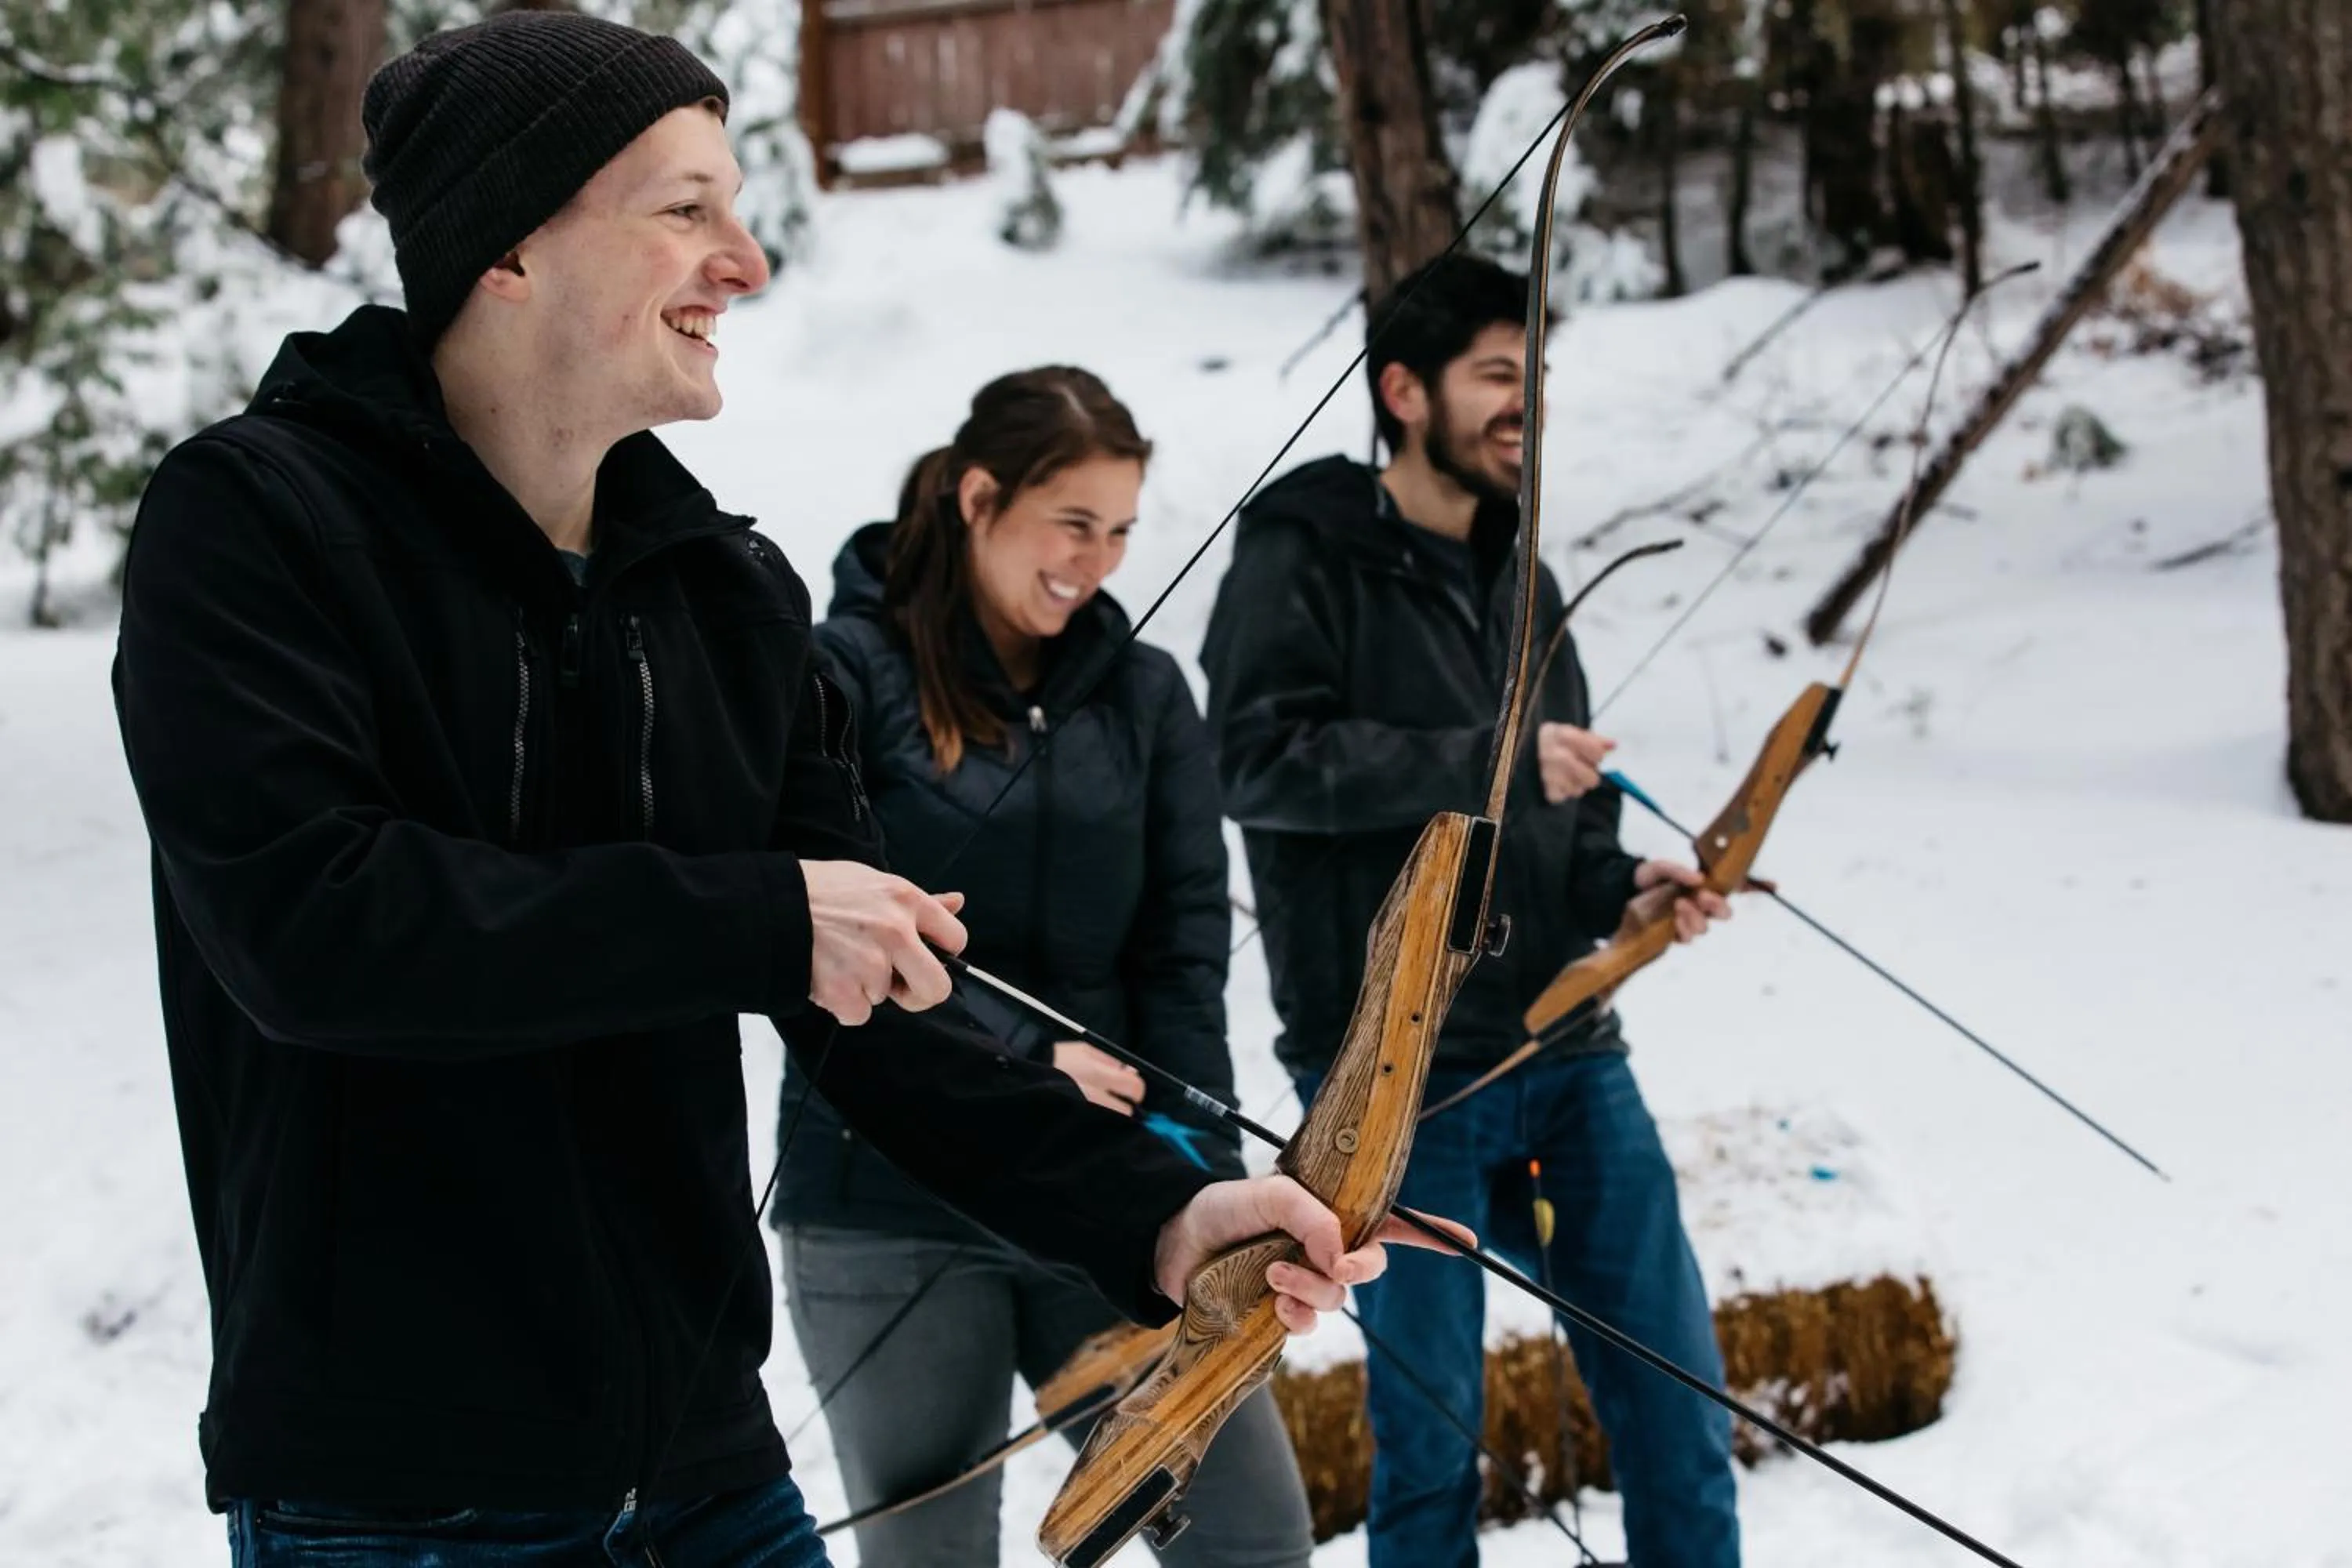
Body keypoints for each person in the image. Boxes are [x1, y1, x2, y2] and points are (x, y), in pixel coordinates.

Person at [109, 14, 1420, 1566]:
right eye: (685, 208)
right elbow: (313, 927)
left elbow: (875, 1005)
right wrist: (759, 914)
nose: (745, 260)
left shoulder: (724, 593)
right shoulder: (255, 524)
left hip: (704, 1477)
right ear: (508, 245)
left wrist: (1153, 1215)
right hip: (395, 1490)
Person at [1199, 252, 1742, 1568]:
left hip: (1565, 1053)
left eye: (1536, 377)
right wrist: (1481, 768)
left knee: (1679, 1403)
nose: (1526, 405)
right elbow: (1255, 762)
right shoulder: (1301, 554)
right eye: (1499, 375)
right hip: (1403, 1085)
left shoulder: (1524, 574)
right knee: (1432, 1454)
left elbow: (1576, 816)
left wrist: (1632, 888)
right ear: (1403, 389)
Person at [774, 366, 1316, 1566]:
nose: (1099, 560)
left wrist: (1206, 1194)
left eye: (1122, 530)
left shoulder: (1144, 693)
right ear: (980, 498)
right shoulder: (842, 672)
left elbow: (1183, 951)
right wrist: (1032, 1055)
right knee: (930, 1554)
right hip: (883, 1206)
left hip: (1112, 1194)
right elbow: (834, 936)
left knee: (1250, 1536)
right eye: (1074, 522)